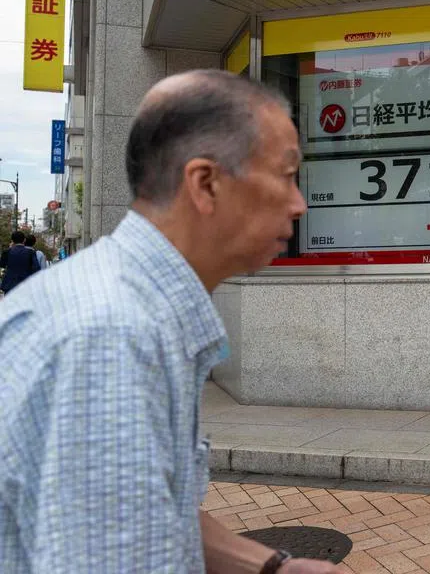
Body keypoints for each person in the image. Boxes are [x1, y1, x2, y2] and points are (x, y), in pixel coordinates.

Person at [0, 71, 337, 573]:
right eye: (287, 175)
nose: (299, 204)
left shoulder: (120, 306)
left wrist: (270, 567)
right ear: (205, 183)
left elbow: (147, 510)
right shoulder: (113, 338)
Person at [0, 231, 40, 296]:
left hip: (9, 285)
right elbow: (36, 268)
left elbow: (2, 265)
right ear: (24, 240)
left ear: (12, 240)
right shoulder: (30, 252)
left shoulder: (7, 252)